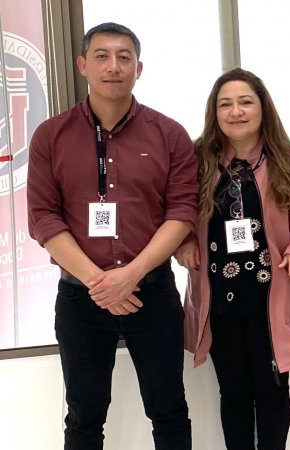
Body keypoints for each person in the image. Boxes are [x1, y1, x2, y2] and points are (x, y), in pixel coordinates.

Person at [27, 22, 196, 449]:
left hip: (152, 293)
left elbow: (182, 212)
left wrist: (130, 275)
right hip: (80, 298)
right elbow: (44, 218)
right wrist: (99, 283)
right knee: (83, 417)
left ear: (139, 68)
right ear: (82, 65)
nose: (113, 66)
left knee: (169, 410)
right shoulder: (51, 136)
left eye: (124, 57)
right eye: (101, 56)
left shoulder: (169, 134)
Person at [178, 67, 290, 449]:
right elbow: (174, 209)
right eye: (225, 104)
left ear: (262, 108)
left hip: (270, 297)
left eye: (245, 102)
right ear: (214, 112)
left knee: (272, 390)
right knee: (233, 393)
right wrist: (184, 241)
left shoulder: (287, 158)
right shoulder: (198, 161)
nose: (236, 111)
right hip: (219, 299)